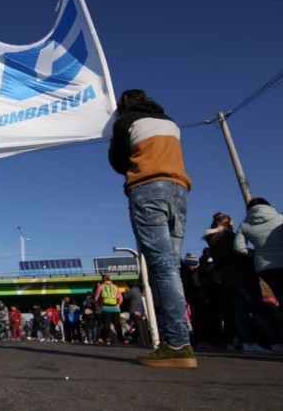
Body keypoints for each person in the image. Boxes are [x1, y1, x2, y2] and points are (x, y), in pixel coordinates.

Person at [108, 88, 197, 368]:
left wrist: (114, 137)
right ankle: (179, 338)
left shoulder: (125, 122)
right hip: (179, 191)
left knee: (162, 267)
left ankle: (177, 343)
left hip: (148, 190)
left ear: (123, 105)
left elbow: (119, 162)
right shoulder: (170, 122)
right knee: (171, 266)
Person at [204, 211, 283, 354]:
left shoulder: (213, 242)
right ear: (228, 224)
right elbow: (241, 252)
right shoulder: (231, 238)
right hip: (243, 276)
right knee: (257, 309)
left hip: (228, 280)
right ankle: (275, 342)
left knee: (240, 312)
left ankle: (248, 341)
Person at [233, 197, 283, 315]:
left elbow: (238, 247)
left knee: (280, 294)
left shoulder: (244, 225)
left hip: (264, 268)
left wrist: (255, 254)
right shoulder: (281, 218)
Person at [94, 274, 124, 344]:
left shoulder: (101, 287)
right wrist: (117, 305)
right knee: (117, 324)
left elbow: (96, 299)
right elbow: (121, 299)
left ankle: (107, 339)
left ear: (103, 279)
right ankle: (120, 339)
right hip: (115, 308)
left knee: (106, 324)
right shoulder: (115, 287)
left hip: (105, 308)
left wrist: (100, 305)